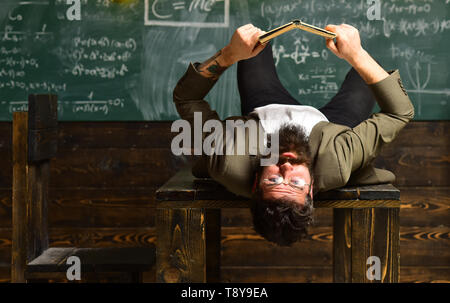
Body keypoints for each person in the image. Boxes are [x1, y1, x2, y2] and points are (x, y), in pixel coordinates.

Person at [172, 23, 414, 246]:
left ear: (256, 182)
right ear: (311, 188)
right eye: (296, 183)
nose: (286, 167)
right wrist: (356, 54)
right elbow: (399, 113)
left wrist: (229, 54)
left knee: (256, 44)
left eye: (274, 180)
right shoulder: (338, 160)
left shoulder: (227, 158)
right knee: (369, 73)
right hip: (331, 123)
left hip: (267, 105)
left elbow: (187, 98)